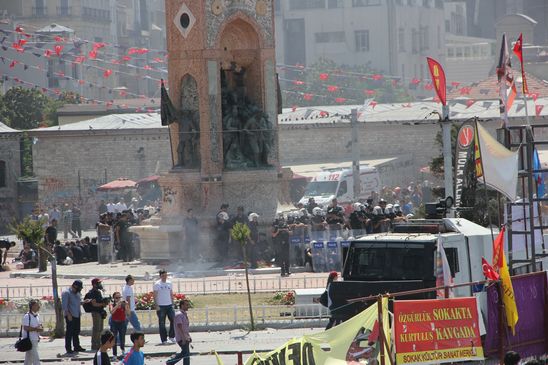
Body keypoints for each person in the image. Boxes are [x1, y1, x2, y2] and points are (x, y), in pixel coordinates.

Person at [62, 280, 88, 355]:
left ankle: (76, 346)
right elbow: (64, 306)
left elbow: (77, 303)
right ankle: (68, 348)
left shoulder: (77, 293)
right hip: (70, 315)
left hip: (77, 314)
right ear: (75, 286)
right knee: (69, 332)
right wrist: (68, 314)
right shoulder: (66, 293)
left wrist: (84, 302)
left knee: (76, 331)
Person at [85, 278, 108, 351]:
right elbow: (94, 304)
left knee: (100, 329)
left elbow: (100, 302)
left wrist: (105, 302)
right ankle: (95, 345)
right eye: (98, 283)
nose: (100, 284)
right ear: (94, 284)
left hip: (100, 312)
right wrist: (102, 304)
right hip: (95, 312)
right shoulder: (92, 293)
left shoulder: (98, 292)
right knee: (96, 329)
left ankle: (99, 344)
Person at [167, 299, 192, 365]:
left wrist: (188, 336)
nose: (188, 306)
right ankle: (170, 362)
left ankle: (171, 362)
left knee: (185, 354)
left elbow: (185, 328)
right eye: (186, 305)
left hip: (185, 337)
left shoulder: (184, 314)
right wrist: (184, 338)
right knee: (185, 354)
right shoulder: (179, 315)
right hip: (181, 338)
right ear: (182, 305)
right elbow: (179, 328)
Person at [153, 269, 175, 344]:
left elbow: (171, 293)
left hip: (169, 305)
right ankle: (164, 339)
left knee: (173, 320)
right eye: (163, 275)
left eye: (165, 275)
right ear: (160, 276)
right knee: (162, 323)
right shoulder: (157, 284)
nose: (164, 277)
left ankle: (172, 336)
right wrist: (156, 305)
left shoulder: (169, 283)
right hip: (161, 306)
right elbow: (155, 295)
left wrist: (172, 303)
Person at [22, 299, 43, 365]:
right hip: (29, 339)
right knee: (35, 357)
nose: (38, 306)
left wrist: (41, 328)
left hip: (35, 338)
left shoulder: (37, 315)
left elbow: (40, 325)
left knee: (29, 358)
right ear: (32, 306)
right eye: (37, 305)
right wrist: (36, 329)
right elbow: (26, 328)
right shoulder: (27, 316)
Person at [109, 291, 129, 358]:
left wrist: (126, 306)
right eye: (116, 298)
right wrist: (117, 305)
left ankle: (123, 351)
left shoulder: (123, 304)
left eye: (119, 297)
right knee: (113, 338)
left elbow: (128, 313)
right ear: (114, 298)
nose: (118, 299)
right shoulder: (112, 304)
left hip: (122, 322)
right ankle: (114, 354)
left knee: (122, 337)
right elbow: (111, 312)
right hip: (114, 322)